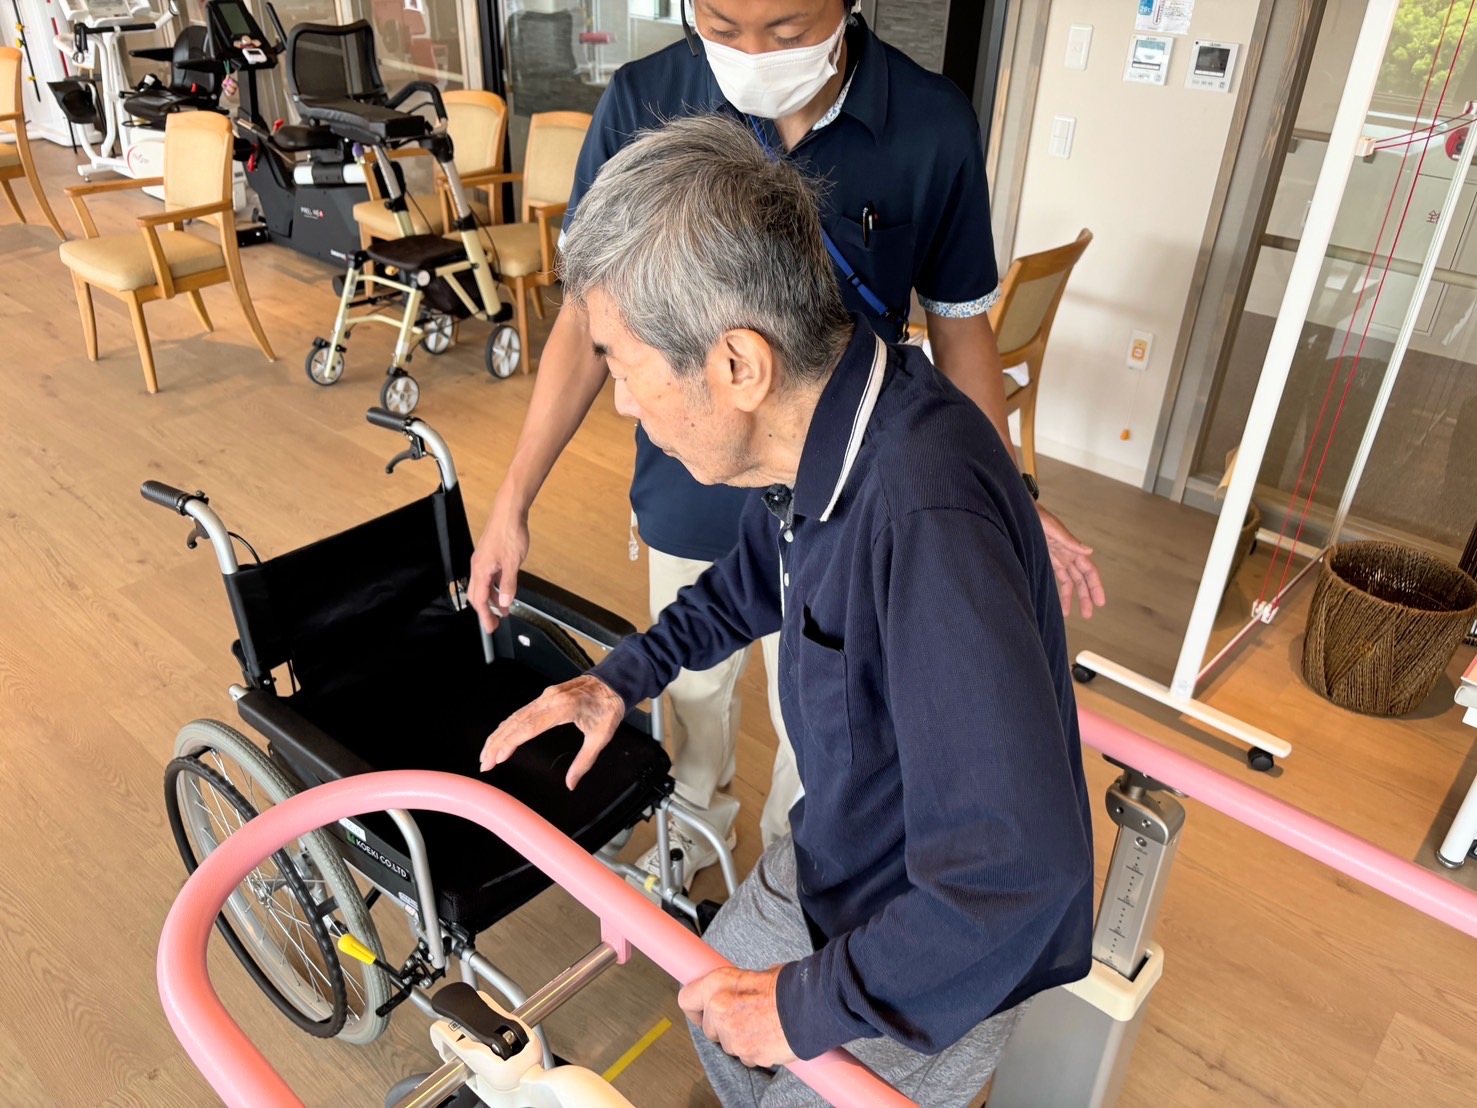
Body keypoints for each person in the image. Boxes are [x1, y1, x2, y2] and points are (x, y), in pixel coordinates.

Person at [478, 114, 1094, 1108]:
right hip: (830, 862)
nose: (621, 404)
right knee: (708, 1005)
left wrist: (804, 1007)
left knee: (772, 1052)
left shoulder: (924, 514)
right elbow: (753, 577)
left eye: (623, 368)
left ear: (737, 365)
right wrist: (619, 679)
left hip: (927, 945)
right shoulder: (826, 426)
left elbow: (1015, 876)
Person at [470, 0, 1105, 890]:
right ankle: (695, 825)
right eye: (721, 24)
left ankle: (798, 875)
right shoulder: (644, 100)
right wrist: (513, 499)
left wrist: (1002, 494)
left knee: (827, 716)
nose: (752, 53)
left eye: (787, 30)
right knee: (692, 683)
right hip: (694, 475)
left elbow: (960, 329)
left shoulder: (929, 123)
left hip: (841, 498)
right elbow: (590, 322)